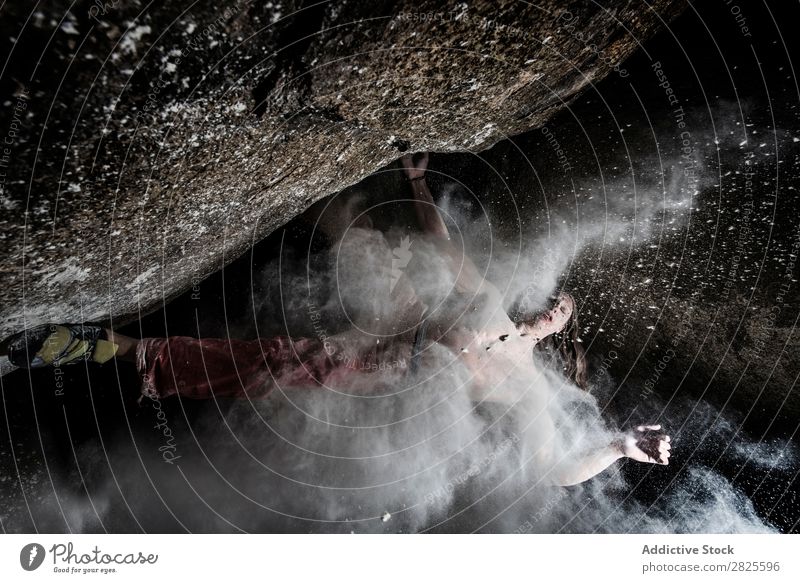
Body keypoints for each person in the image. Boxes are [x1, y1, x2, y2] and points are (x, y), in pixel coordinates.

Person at [2, 153, 670, 486]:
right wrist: (415, 184)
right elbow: (442, 245)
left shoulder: (527, 387)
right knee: (372, 250)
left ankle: (111, 348)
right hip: (397, 321)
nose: (555, 308)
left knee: (264, 365)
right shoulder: (492, 296)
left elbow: (554, 468)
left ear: (558, 347)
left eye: (562, 316)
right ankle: (318, 197)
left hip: (392, 366)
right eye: (558, 303)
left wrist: (615, 448)